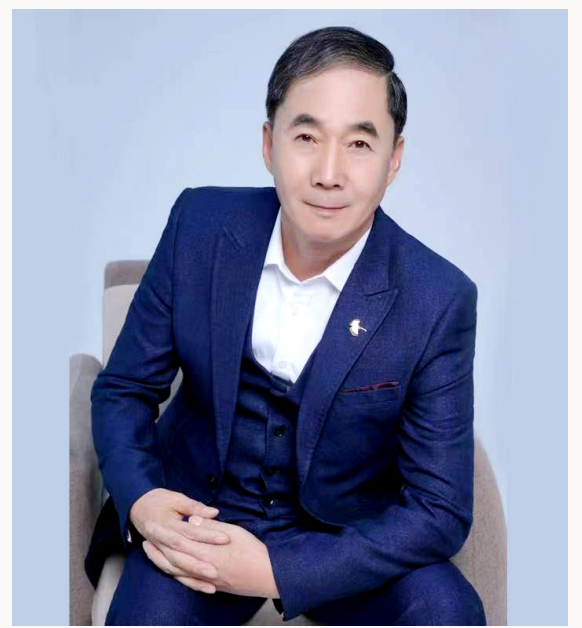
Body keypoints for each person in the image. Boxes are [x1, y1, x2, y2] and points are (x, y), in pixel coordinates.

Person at [84, 26, 487, 626]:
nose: (329, 172)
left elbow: (440, 508)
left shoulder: (438, 298)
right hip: (201, 519)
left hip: (343, 536)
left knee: (446, 610)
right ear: (269, 143)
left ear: (394, 159)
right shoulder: (200, 225)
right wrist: (144, 500)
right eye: (306, 137)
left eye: (359, 143)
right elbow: (123, 389)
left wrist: (277, 571)